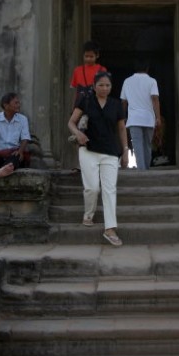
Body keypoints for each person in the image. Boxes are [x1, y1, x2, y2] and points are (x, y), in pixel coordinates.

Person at [68, 70, 129, 245]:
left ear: (111, 87)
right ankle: (88, 215)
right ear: (94, 86)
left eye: (107, 85)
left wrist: (125, 150)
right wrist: (78, 133)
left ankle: (110, 229)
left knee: (110, 190)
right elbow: (71, 122)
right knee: (93, 188)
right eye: (100, 85)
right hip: (88, 149)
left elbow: (122, 129)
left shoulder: (116, 105)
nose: (104, 88)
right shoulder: (85, 101)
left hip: (110, 151)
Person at [120, 60, 161, 171]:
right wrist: (158, 117)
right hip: (148, 118)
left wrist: (123, 117)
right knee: (147, 145)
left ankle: (141, 171)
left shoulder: (127, 81)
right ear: (147, 68)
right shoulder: (152, 81)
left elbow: (123, 101)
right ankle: (145, 169)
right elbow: (155, 99)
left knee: (137, 145)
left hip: (133, 119)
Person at [69, 40, 107, 109]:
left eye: (91, 56)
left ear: (97, 55)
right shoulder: (77, 70)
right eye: (86, 56)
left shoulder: (102, 70)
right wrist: (73, 107)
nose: (88, 59)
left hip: (97, 106)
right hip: (80, 106)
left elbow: (105, 90)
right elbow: (74, 91)